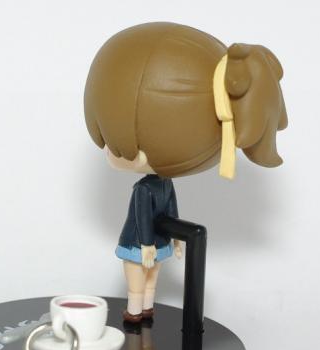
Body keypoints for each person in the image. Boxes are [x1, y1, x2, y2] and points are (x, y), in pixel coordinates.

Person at [84, 22, 288, 322]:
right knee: (147, 278)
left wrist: (160, 241)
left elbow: (157, 213)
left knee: (141, 279)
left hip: (142, 244)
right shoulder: (157, 184)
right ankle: (141, 308)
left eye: (112, 141)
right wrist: (162, 240)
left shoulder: (148, 187)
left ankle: (138, 309)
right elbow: (158, 212)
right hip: (151, 244)